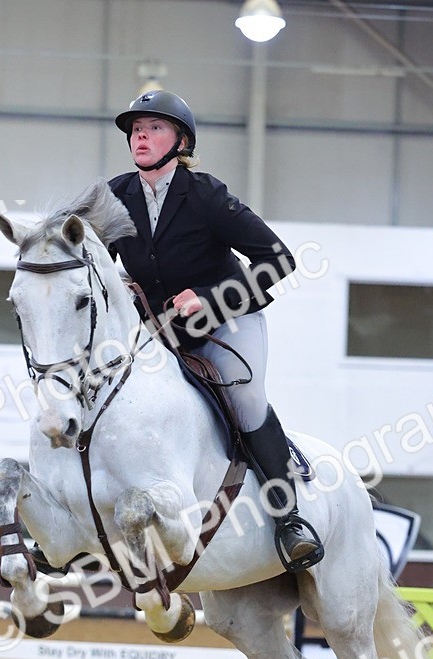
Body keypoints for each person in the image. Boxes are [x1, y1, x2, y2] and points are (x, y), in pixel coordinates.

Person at [108, 89, 324, 573]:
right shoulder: (116, 195)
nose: (141, 135)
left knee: (247, 401)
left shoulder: (205, 194)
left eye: (154, 127)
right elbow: (95, 262)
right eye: (136, 129)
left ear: (181, 140)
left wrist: (209, 298)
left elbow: (278, 260)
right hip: (160, 332)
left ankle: (289, 519)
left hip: (226, 322)